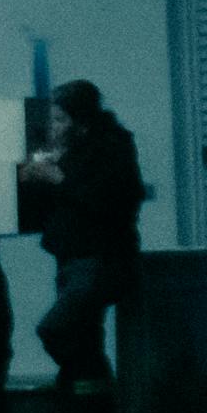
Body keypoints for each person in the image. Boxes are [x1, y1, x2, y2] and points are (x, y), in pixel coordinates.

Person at [24, 78, 147, 394]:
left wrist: (58, 177)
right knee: (84, 333)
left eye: (61, 119)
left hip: (99, 255)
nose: (55, 127)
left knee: (56, 328)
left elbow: (104, 199)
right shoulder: (71, 150)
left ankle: (95, 386)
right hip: (71, 255)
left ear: (81, 120)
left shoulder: (112, 148)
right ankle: (91, 401)